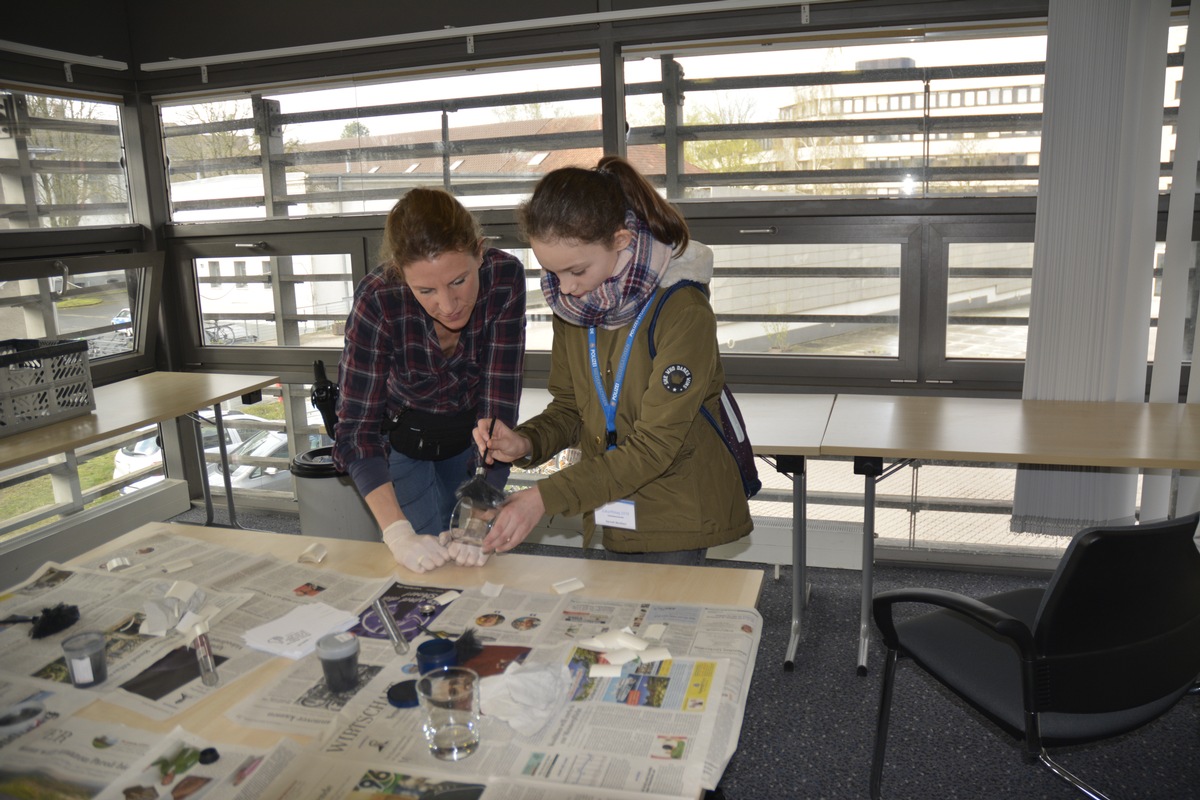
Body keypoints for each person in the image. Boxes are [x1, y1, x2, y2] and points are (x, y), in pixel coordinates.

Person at [476, 155, 752, 565]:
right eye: (552, 274)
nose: (565, 290)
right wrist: (526, 441)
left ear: (620, 241)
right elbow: (571, 408)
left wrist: (542, 498)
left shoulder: (682, 310)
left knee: (655, 625)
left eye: (576, 270)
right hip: (610, 499)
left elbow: (655, 447)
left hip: (677, 513)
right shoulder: (576, 308)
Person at [333, 187, 526, 572]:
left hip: (473, 440)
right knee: (425, 566)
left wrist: (478, 517)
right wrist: (396, 533)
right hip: (404, 440)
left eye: (459, 281)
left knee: (473, 559)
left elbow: (498, 415)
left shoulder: (504, 279)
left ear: (480, 251)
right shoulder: (378, 299)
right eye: (425, 290)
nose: (448, 305)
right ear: (400, 276)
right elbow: (357, 431)